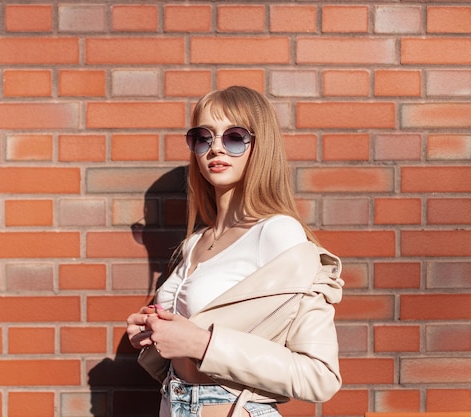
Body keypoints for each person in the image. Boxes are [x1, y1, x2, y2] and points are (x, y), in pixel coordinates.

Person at [126, 86, 344, 417]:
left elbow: (319, 376)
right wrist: (150, 332)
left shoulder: (277, 233)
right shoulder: (195, 242)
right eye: (203, 137)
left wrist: (202, 344)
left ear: (261, 145)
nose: (215, 148)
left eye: (234, 137)